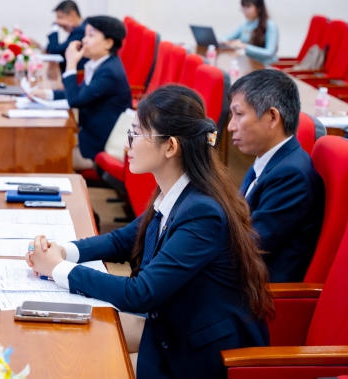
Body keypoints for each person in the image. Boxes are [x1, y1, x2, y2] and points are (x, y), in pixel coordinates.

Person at [26, 85, 272, 379]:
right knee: (56, 334)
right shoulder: (176, 192)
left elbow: (141, 293)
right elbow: (123, 239)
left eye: (136, 134)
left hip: (198, 356)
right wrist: (63, 251)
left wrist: (57, 269)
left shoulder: (202, 211)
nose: (127, 145)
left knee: (74, 356)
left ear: (170, 146)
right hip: (171, 325)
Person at [228, 70, 324, 282]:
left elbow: (248, 246)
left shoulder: (291, 175)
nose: (230, 126)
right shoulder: (269, 160)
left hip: (260, 293)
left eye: (239, 114)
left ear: (272, 117)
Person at [33, 15, 132, 170]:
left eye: (91, 36)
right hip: (87, 136)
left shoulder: (109, 73)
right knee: (41, 143)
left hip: (96, 148)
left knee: (42, 156)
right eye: (85, 35)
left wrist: (71, 63)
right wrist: (47, 94)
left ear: (108, 43)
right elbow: (80, 93)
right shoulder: (100, 64)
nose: (84, 40)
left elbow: (75, 99)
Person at [223, 0, 279, 65]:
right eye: (243, 8)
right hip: (250, 63)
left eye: (248, 7)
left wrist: (244, 46)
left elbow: (269, 52)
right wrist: (227, 42)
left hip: (265, 67)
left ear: (259, 8)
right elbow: (226, 38)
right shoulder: (246, 24)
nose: (244, 11)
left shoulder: (270, 26)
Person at [46, 0, 86, 71]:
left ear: (72, 14)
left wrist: (54, 29)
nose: (58, 22)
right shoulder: (78, 30)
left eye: (60, 17)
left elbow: (55, 51)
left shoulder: (81, 31)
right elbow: (52, 49)